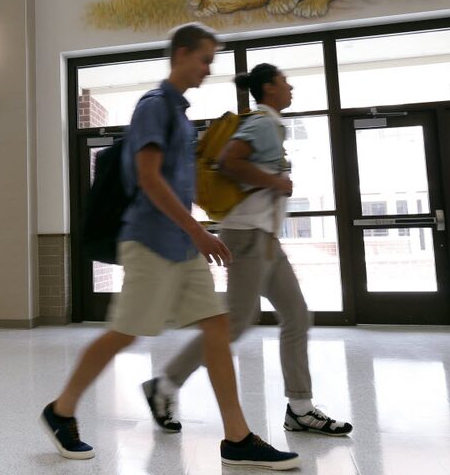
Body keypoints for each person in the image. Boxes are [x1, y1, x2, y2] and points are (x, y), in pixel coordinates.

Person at [40, 24, 300, 470]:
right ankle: (61, 410)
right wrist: (199, 231)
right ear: (180, 55)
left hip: (181, 243)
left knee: (217, 328)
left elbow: (180, 186)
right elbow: (148, 178)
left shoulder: (179, 115)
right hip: (151, 242)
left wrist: (197, 229)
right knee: (123, 333)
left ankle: (237, 437)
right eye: (204, 59)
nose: (207, 69)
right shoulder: (155, 107)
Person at [149, 63, 352, 436]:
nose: (291, 88)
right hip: (246, 236)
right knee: (235, 323)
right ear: (269, 88)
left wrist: (274, 184)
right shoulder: (262, 122)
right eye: (285, 82)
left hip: (264, 238)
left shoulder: (270, 123)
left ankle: (301, 408)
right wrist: (277, 181)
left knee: (296, 314)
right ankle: (164, 385)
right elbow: (229, 161)